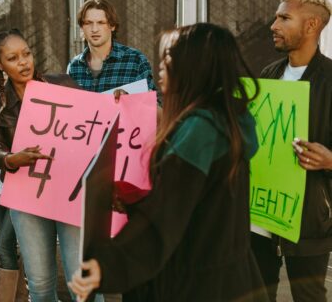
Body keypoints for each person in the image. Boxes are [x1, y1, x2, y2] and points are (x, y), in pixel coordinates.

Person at [69, 23, 267, 301]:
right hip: (228, 276)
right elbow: (198, 202)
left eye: (170, 56)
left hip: (196, 284)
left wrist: (109, 265)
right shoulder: (226, 118)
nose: (161, 64)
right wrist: (136, 197)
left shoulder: (202, 130)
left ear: (194, 66)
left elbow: (165, 215)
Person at [0, 29, 104, 302]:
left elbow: (93, 122)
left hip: (70, 191)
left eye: (27, 53)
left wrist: (115, 101)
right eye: (13, 58)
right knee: (39, 284)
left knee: (82, 283)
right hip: (26, 195)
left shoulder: (62, 84)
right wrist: (11, 159)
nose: (24, 62)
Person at [251, 0, 332, 302]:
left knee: (308, 296)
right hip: (260, 213)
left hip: (309, 217)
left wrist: (329, 161)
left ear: (311, 26)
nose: (273, 25)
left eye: (284, 17)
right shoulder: (268, 76)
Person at [67, 0, 159, 95]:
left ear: (112, 26)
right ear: (82, 27)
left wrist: (129, 100)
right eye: (88, 23)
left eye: (101, 23)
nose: (94, 29)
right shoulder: (74, 66)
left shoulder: (135, 61)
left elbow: (154, 106)